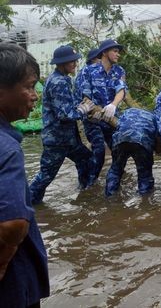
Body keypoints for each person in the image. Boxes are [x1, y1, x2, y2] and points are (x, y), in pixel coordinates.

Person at [0, 44, 50, 306]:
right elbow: (13, 225)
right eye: (29, 87)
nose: (34, 96)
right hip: (12, 285)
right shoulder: (7, 148)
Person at [29, 45, 94, 205]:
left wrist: (79, 106)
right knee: (46, 176)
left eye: (75, 60)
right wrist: (83, 109)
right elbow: (65, 115)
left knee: (85, 158)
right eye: (71, 61)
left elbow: (65, 107)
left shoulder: (63, 79)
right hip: (57, 140)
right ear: (61, 63)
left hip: (68, 138)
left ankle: (85, 193)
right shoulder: (59, 82)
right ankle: (28, 205)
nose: (74, 64)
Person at [77, 38, 127, 185]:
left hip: (110, 118)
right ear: (104, 52)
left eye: (118, 52)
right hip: (93, 118)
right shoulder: (88, 70)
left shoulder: (119, 70)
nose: (118, 55)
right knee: (99, 150)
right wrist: (94, 109)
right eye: (115, 51)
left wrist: (113, 105)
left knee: (118, 149)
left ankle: (116, 180)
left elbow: (121, 90)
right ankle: (90, 184)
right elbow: (85, 95)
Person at [105, 108, 158, 197]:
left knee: (115, 170)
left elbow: (117, 126)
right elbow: (157, 139)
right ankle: (145, 200)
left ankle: (110, 196)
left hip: (121, 139)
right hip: (141, 140)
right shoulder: (153, 117)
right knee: (144, 174)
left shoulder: (126, 112)